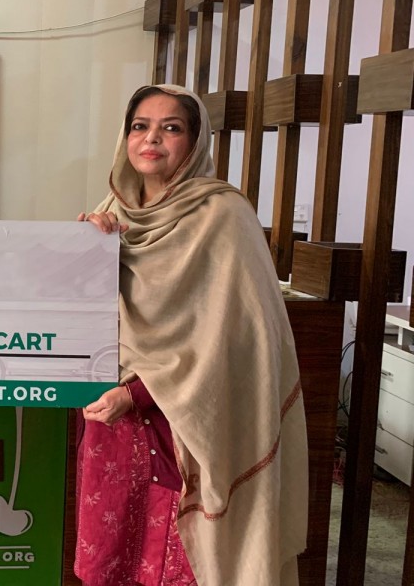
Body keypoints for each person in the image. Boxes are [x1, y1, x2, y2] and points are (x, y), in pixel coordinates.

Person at [74, 84, 308, 586]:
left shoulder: (222, 216)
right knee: (115, 559)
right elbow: (82, 319)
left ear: (195, 140)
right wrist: (82, 252)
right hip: (114, 424)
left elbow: (234, 340)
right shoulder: (110, 213)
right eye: (140, 126)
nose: (151, 138)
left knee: (179, 564)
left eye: (171, 128)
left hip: (187, 427)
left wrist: (136, 393)